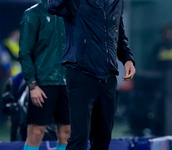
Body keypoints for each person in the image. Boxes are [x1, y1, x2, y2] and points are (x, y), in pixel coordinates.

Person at [46, 1, 136, 150]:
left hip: (108, 78)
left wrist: (127, 59)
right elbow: (52, 6)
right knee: (79, 137)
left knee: (103, 137)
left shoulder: (116, 2)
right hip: (81, 74)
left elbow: (118, 33)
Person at [18, 0, 70, 150]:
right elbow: (24, 53)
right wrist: (32, 84)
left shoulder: (70, 13)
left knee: (67, 132)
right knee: (36, 131)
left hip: (68, 82)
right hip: (43, 83)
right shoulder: (32, 14)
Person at [2, 72, 57, 142]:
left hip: (49, 138)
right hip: (21, 135)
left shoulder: (55, 79)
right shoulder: (16, 80)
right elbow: (6, 105)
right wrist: (21, 111)